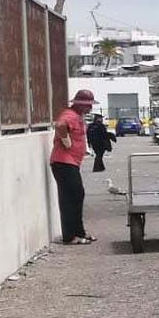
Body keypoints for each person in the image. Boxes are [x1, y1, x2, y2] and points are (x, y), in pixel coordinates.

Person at [51, 90, 95, 244]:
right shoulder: (70, 115)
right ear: (79, 104)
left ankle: (79, 232)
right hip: (63, 162)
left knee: (77, 196)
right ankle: (70, 236)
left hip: (71, 162)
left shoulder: (77, 117)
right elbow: (60, 125)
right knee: (70, 198)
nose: (90, 109)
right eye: (88, 105)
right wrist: (66, 141)